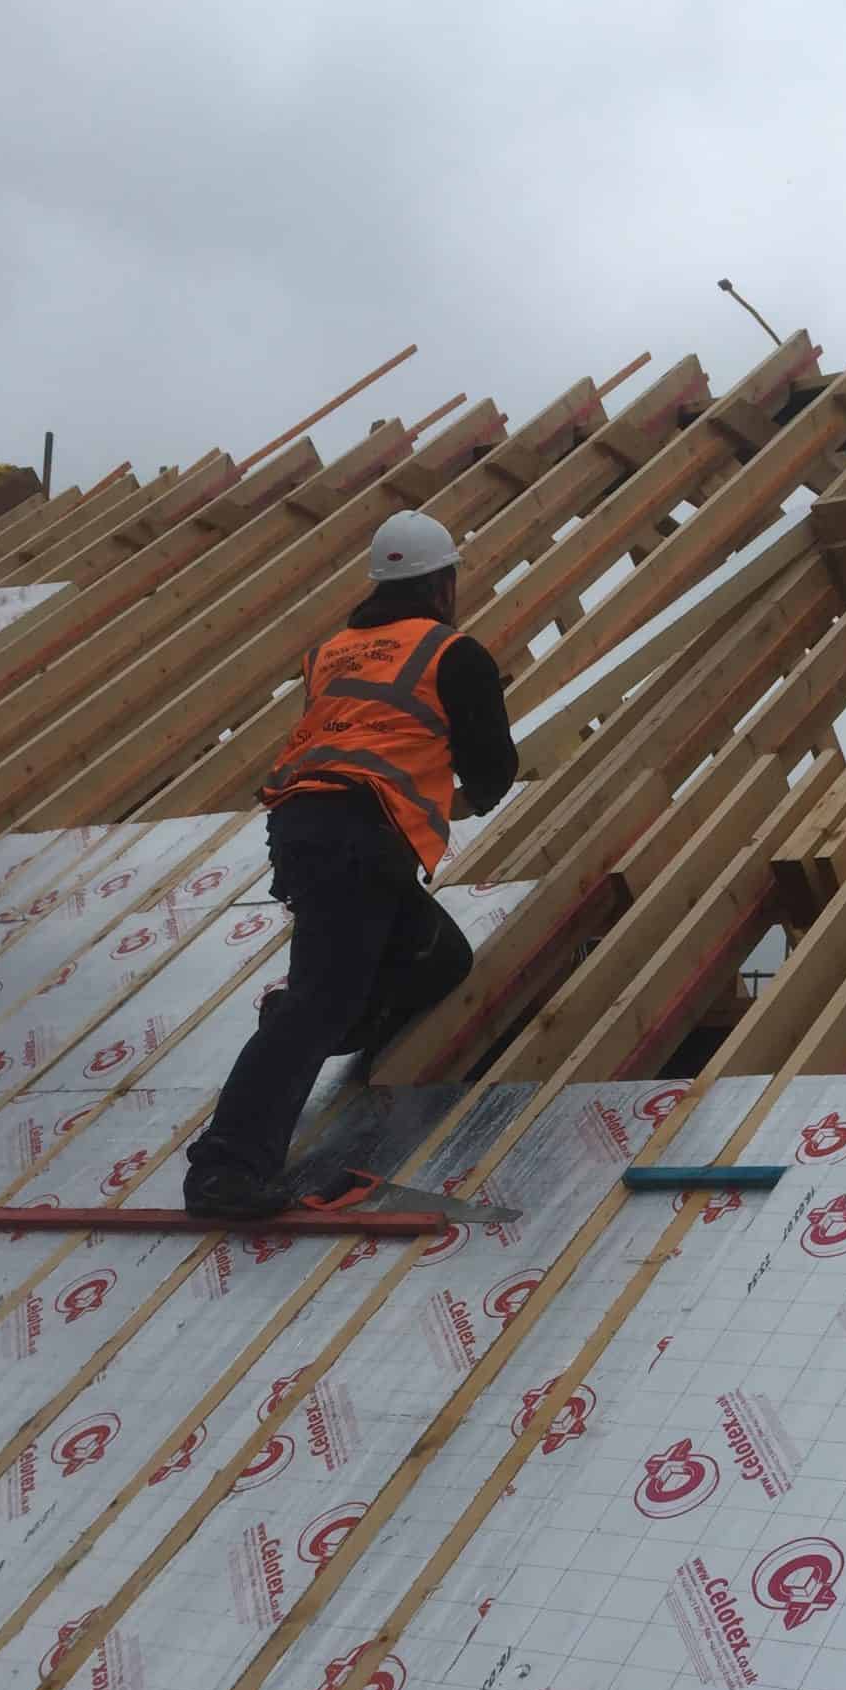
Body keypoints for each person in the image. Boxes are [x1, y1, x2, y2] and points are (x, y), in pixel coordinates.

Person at [182, 511, 518, 1219]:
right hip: (358, 837)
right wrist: (469, 789)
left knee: (439, 959)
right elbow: (491, 766)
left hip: (307, 826)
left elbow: (360, 731)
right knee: (320, 999)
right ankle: (225, 1169)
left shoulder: (331, 652)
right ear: (443, 584)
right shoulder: (451, 652)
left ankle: (313, 1017)